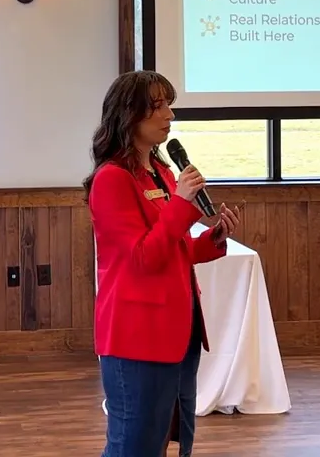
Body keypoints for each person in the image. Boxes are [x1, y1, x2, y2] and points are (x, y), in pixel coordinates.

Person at [84, 70, 240, 457]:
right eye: (158, 106)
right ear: (129, 115)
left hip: (177, 330)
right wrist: (184, 206)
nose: (169, 115)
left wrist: (212, 239)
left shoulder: (162, 171)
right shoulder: (112, 180)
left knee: (167, 439)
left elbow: (174, 248)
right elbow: (141, 259)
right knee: (132, 445)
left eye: (169, 105)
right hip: (137, 335)